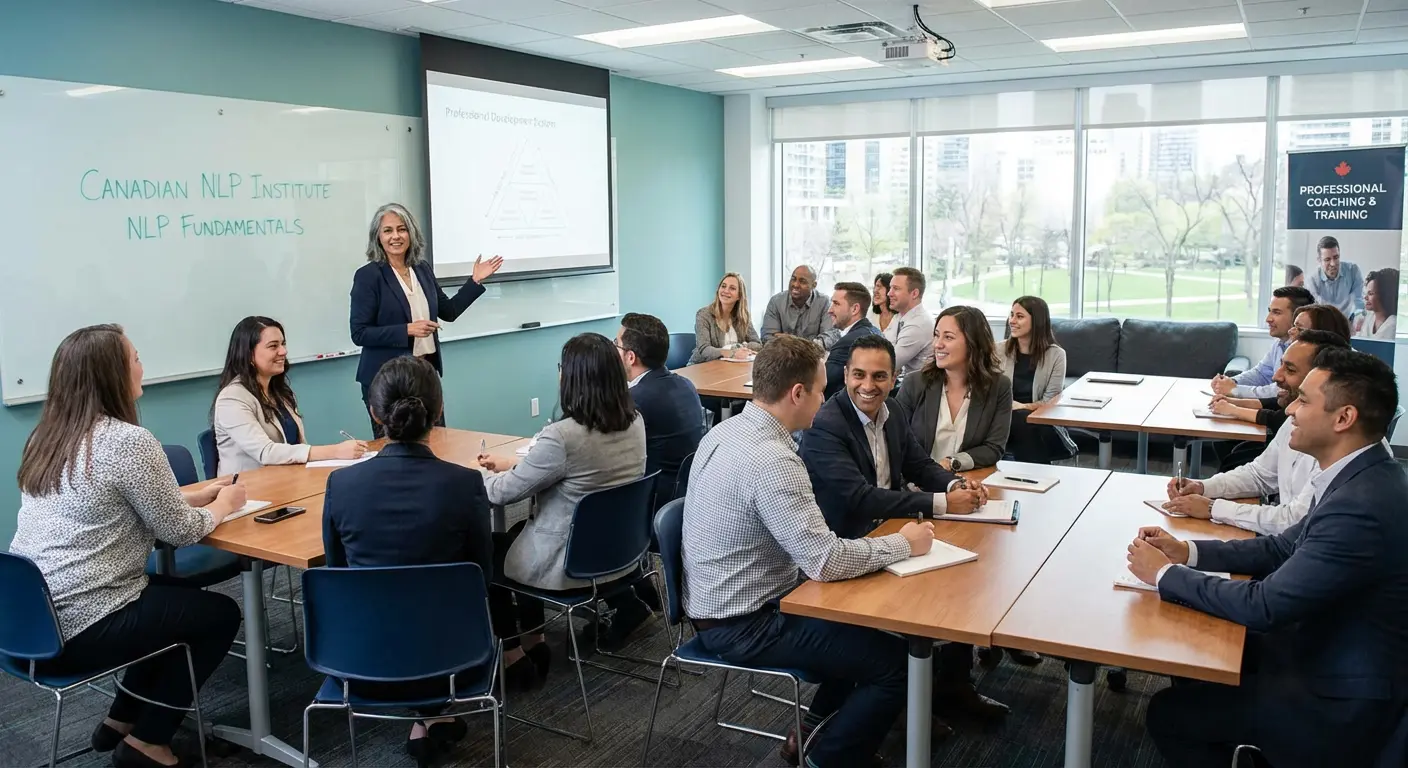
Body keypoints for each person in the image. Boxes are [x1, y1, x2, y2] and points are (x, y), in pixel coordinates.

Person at [1132, 347, 1408, 767]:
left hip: (1340, 698)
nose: (1291, 409)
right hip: (1321, 643)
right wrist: (1187, 552)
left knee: (1169, 713)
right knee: (1197, 653)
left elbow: (1265, 606)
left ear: (1343, 418)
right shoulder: (1361, 474)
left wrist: (1165, 574)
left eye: (1305, 400)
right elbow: (1281, 546)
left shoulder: (1361, 505)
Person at [682, 334, 935, 767]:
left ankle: (814, 731)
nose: (827, 397)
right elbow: (826, 561)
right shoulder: (773, 460)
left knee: (864, 633)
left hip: (719, 602)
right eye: (821, 390)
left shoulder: (725, 431)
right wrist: (903, 544)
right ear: (797, 393)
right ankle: (829, 758)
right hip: (746, 622)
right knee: (895, 665)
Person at [9, 324, 245, 768]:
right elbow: (179, 531)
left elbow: (118, 504)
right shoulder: (127, 441)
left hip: (27, 623)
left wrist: (196, 494)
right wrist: (226, 502)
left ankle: (121, 717)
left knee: (174, 602)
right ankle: (148, 742)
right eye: (135, 358)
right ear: (111, 374)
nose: (142, 366)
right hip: (81, 625)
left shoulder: (46, 438)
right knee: (219, 615)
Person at [800, 334, 1011, 731]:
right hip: (843, 549)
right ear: (844, 374)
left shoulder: (892, 410)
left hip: (888, 533)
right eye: (858, 374)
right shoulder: (826, 425)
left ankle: (949, 686)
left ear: (894, 377)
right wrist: (942, 504)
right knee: (921, 609)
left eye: (879, 376)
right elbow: (859, 499)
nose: (868, 385)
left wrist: (952, 486)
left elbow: (919, 465)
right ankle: (877, 711)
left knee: (963, 580)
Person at [322, 355, 492, 765]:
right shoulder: (465, 484)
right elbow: (480, 580)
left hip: (360, 657)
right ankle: (430, 716)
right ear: (437, 411)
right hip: (453, 657)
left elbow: (337, 573)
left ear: (373, 413)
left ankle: (427, 721)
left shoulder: (340, 485)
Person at [478, 333, 648, 680]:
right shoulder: (635, 421)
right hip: (619, 555)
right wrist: (517, 465)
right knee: (516, 535)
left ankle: (515, 654)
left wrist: (471, 477)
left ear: (573, 377)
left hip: (571, 564)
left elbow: (500, 495)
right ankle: (534, 636)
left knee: (490, 550)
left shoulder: (563, 437)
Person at [1165, 330, 1350, 534]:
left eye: (1289, 369)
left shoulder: (1344, 448)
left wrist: (1212, 508)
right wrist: (1203, 487)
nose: (1275, 376)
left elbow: (1295, 520)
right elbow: (1259, 475)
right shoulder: (1294, 419)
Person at [349, 202, 503, 437]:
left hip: (424, 373)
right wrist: (407, 330)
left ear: (411, 233)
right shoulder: (368, 276)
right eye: (388, 230)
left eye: (402, 229)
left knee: (436, 442)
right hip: (389, 379)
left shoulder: (421, 269)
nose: (396, 236)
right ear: (377, 237)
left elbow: (448, 311)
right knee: (394, 448)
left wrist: (475, 281)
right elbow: (359, 333)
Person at [211, 316, 367, 475]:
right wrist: (335, 451)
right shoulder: (231, 398)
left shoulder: (280, 391)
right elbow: (266, 452)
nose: (283, 351)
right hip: (247, 490)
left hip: (289, 479)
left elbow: (297, 445)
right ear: (249, 355)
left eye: (283, 344)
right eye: (273, 346)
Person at [895, 305, 1012, 472]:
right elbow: (894, 441)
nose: (937, 344)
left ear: (973, 342)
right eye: (936, 335)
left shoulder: (999, 386)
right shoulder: (915, 383)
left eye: (948, 337)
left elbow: (993, 448)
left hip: (967, 483)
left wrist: (952, 463)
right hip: (917, 485)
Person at [616, 312, 703, 505]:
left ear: (630, 357)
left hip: (652, 501)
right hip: (689, 494)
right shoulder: (687, 385)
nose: (614, 351)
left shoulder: (633, 400)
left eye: (617, 344)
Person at [1001, 296, 1074, 464]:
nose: (1012, 321)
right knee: (1020, 422)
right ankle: (1039, 478)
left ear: (1037, 321)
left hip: (1041, 422)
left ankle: (1029, 478)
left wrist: (1023, 407)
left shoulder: (1056, 355)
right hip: (1003, 420)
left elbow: (1050, 402)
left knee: (1023, 421)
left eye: (1019, 316)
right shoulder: (997, 351)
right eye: (1011, 315)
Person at [1211, 286, 1314, 400]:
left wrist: (1235, 390)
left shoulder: (1306, 350)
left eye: (1276, 312)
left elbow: (1281, 391)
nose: (1268, 319)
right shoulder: (1279, 343)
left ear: (1297, 316)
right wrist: (1231, 381)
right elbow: (1261, 374)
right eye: (1270, 311)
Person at [823, 281, 883, 398]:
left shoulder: (847, 343)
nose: (829, 310)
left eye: (836, 304)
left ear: (855, 309)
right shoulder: (876, 332)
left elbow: (824, 382)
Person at [690, 272, 761, 364]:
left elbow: (757, 344)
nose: (726, 291)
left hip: (730, 366)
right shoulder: (704, 314)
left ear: (739, 295)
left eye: (732, 288)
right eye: (723, 286)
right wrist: (732, 352)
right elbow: (704, 349)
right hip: (701, 365)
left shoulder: (743, 316)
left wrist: (741, 347)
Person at [761, 265, 833, 343]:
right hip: (782, 354)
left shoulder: (824, 303)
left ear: (814, 285)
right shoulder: (776, 301)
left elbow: (828, 338)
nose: (795, 285)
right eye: (793, 279)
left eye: (802, 281)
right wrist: (810, 343)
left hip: (812, 355)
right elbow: (767, 336)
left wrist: (794, 341)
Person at [885, 267, 936, 377]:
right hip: (905, 382)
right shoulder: (900, 315)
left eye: (896, 289)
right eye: (890, 288)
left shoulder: (919, 324)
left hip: (919, 389)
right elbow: (882, 345)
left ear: (914, 293)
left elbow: (888, 364)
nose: (889, 293)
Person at [1304, 235, 1364, 318]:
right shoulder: (1312, 280)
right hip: (1325, 323)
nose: (1333, 264)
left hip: (1349, 321)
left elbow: (1358, 300)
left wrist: (1359, 316)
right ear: (1319, 260)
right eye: (1327, 259)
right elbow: (1314, 310)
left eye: (1336, 257)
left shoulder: (1353, 270)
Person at [1356, 267, 1398, 340]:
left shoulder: (1393, 325)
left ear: (1385, 295)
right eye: (1366, 293)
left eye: (1371, 293)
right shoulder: (1368, 318)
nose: (1365, 297)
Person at [872, 272, 896, 336]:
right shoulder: (871, 315)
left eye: (879, 287)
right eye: (875, 286)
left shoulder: (900, 317)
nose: (875, 290)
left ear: (890, 290)